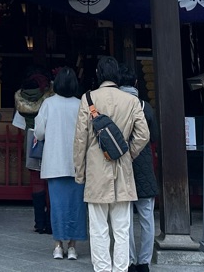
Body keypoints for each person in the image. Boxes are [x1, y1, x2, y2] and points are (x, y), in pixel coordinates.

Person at [73, 56, 150, 272]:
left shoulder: (88, 99)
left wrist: (80, 172)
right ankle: (120, 269)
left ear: (99, 74)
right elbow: (143, 135)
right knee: (122, 227)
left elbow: (81, 140)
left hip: (97, 171)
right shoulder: (132, 101)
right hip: (123, 170)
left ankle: (102, 269)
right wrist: (127, 153)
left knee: (98, 227)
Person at [33, 65, 87, 261]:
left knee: (57, 206)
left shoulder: (48, 104)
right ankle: (72, 246)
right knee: (76, 206)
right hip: (76, 163)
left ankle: (58, 245)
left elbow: (39, 132)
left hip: (54, 162)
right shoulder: (81, 104)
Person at [116, 66, 157, 272]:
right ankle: (144, 262)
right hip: (144, 165)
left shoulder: (115, 106)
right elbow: (154, 136)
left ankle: (130, 260)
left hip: (122, 164)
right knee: (147, 217)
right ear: (136, 84)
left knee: (126, 218)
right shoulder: (145, 107)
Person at [14, 68, 53, 234]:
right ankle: (51, 222)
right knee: (51, 183)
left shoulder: (21, 99)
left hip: (32, 144)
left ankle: (39, 223)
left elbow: (19, 125)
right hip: (50, 143)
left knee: (37, 182)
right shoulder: (50, 99)